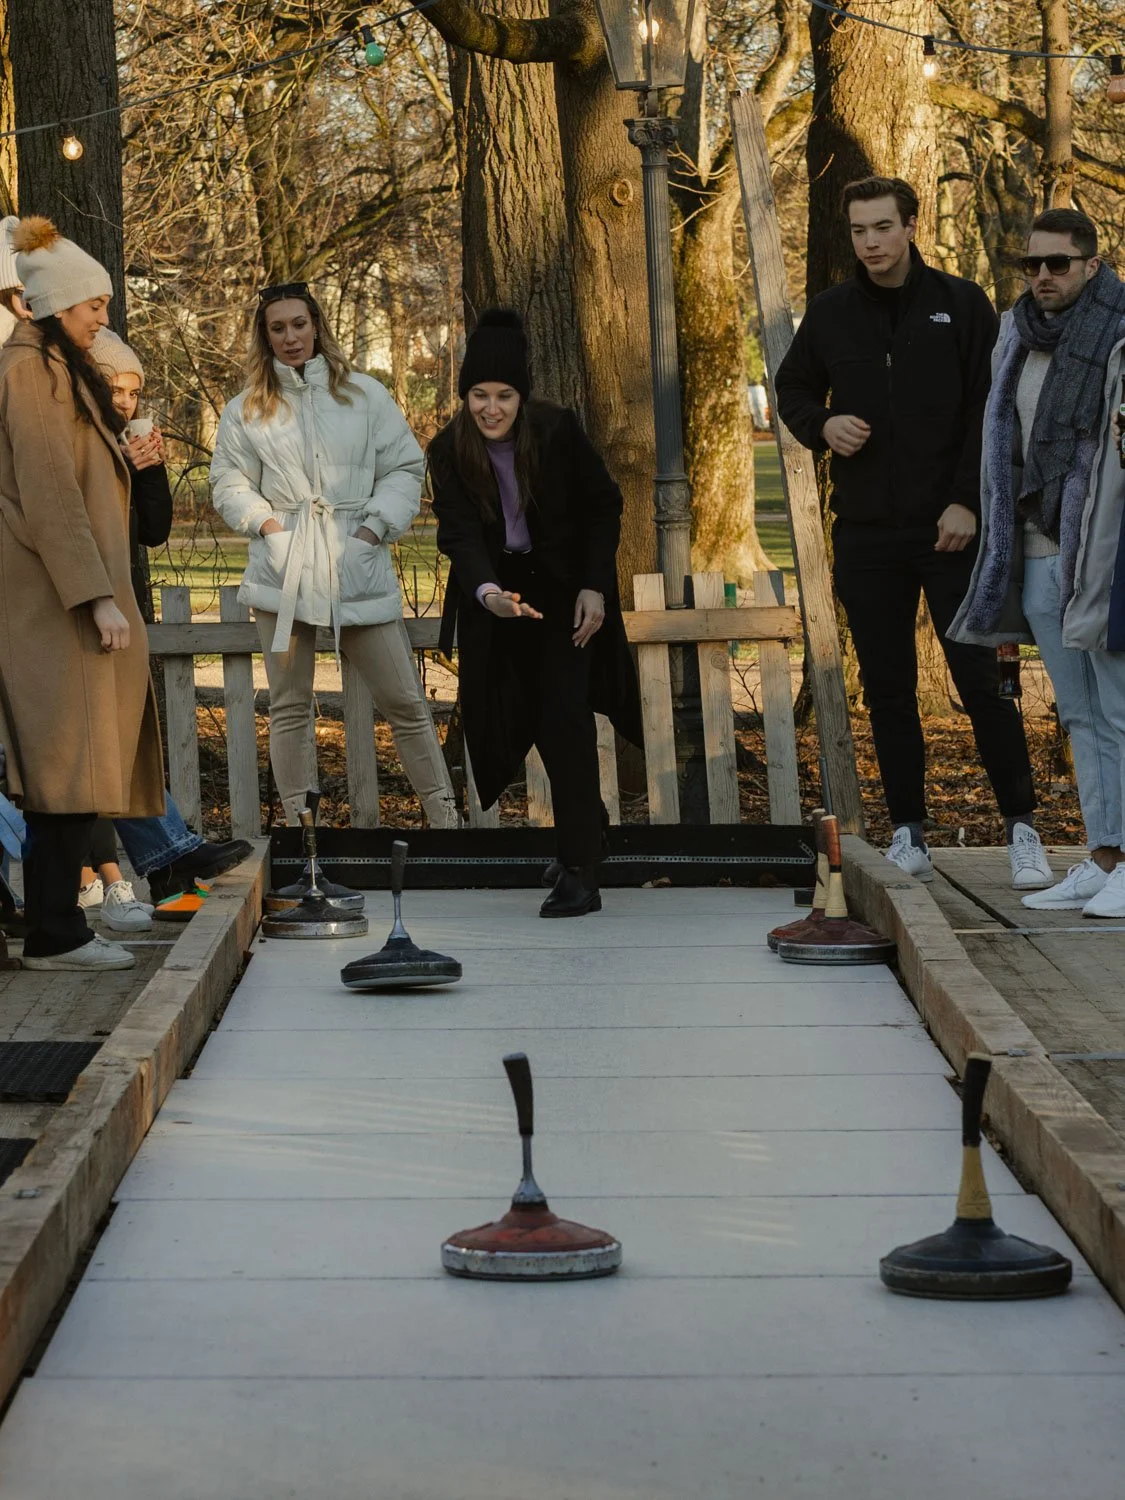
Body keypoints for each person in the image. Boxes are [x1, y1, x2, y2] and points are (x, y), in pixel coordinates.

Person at [775, 174, 1051, 890]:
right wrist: (822, 424)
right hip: (867, 535)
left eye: (881, 227)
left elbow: (992, 409)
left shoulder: (960, 303)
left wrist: (966, 502)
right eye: (858, 230)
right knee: (888, 690)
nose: (869, 242)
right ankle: (908, 832)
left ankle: (1023, 828)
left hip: (951, 532)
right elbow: (792, 388)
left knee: (981, 682)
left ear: (909, 226)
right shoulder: (831, 313)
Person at [210, 281, 457, 832]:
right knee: (289, 707)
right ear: (265, 336)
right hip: (284, 569)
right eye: (278, 328)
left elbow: (403, 467)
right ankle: (306, 838)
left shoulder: (365, 395)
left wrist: (371, 531)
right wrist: (271, 529)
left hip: (356, 563)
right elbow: (228, 481)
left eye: (299, 324)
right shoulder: (246, 410)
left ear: (316, 325)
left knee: (406, 702)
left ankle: (445, 823)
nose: (290, 337)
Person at [428, 308, 642, 917]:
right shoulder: (447, 450)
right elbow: (458, 532)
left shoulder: (557, 431)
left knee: (563, 719)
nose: (491, 408)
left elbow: (603, 505)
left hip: (564, 594)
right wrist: (488, 593)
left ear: (522, 396)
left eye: (504, 395)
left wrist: (595, 587)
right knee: (507, 717)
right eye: (479, 395)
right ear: (465, 394)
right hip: (497, 598)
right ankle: (588, 826)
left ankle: (580, 868)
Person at [0, 216, 165, 971]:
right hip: (54, 597)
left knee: (75, 759)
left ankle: (59, 929)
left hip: (66, 590)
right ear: (57, 304)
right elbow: (49, 492)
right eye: (93, 305)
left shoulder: (56, 368)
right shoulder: (31, 371)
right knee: (63, 759)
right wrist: (96, 596)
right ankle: (56, 934)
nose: (102, 317)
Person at [951, 208, 1125, 918]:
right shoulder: (1015, 336)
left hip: (1101, 554)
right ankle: (1104, 856)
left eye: (1058, 263)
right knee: (1080, 715)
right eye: (1032, 264)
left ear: (1091, 264)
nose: (1043, 276)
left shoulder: (1117, 334)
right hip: (1034, 551)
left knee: (1119, 711)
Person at [87, 328, 252, 923]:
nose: (125, 402)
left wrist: (147, 470)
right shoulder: (73, 441)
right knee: (100, 743)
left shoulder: (122, 443)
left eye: (134, 392)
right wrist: (118, 472)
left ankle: (170, 866)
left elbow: (152, 531)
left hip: (115, 603)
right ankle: (166, 859)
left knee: (115, 739)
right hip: (80, 605)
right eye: (114, 389)